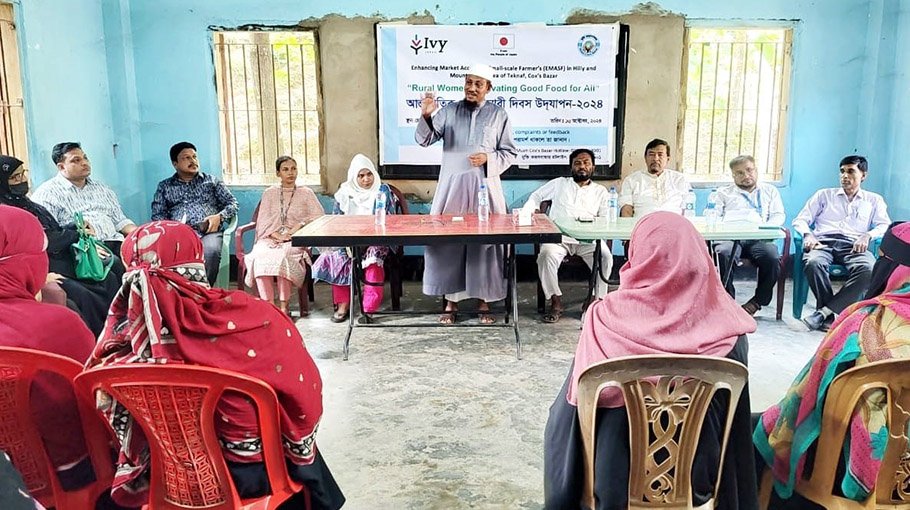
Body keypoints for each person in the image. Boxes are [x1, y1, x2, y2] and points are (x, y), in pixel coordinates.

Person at [86, 221, 344, 510]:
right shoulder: (258, 320)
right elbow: (303, 398)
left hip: (160, 473)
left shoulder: (115, 345)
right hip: (247, 474)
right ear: (196, 261)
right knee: (303, 457)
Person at [544, 212, 759, 509]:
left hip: (612, 479)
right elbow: (733, 428)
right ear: (699, 254)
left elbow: (571, 412)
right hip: (695, 478)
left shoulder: (603, 321)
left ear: (639, 255)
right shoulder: (730, 330)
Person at [753, 221, 910, 508]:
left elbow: (807, 396)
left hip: (861, 465)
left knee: (759, 431)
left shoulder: (861, 324)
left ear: (893, 269)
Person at [0, 205, 98, 497]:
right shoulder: (60, 324)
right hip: (69, 474)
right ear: (26, 262)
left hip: (8, 482)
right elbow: (98, 403)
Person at [415, 63, 518, 324]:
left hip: (485, 190)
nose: (471, 88)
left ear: (488, 88)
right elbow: (425, 139)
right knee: (448, 244)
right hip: (451, 190)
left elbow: (509, 153)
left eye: (478, 84)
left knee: (485, 246)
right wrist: (426, 115)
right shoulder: (449, 111)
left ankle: (484, 301)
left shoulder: (499, 115)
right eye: (468, 82)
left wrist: (488, 158)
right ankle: (450, 302)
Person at [0, 155, 121, 336]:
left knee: (107, 275)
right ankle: (97, 338)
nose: (22, 180)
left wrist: (76, 227)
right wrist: (42, 274)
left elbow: (52, 229)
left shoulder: (28, 204)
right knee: (82, 294)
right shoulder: (6, 213)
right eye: (15, 178)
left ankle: (116, 330)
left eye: (23, 174)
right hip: (39, 267)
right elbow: (43, 241)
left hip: (58, 257)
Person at [792, 155, 891, 331]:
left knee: (869, 269)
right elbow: (800, 220)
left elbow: (884, 225)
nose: (845, 176)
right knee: (813, 263)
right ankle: (828, 315)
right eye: (842, 171)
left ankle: (823, 313)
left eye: (851, 171)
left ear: (863, 175)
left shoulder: (874, 200)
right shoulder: (824, 195)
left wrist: (867, 235)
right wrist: (808, 235)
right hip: (822, 243)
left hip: (853, 246)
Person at [522, 148, 614, 323]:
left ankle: (594, 299)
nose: (582, 166)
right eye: (577, 163)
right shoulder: (559, 183)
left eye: (586, 163)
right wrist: (533, 210)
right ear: (571, 167)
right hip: (559, 239)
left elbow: (606, 218)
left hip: (588, 240)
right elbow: (537, 196)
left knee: (606, 257)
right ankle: (555, 301)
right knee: (545, 256)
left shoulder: (601, 191)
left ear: (593, 167)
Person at [312, 154, 398, 323]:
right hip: (349, 238)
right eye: (361, 175)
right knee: (338, 257)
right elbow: (336, 221)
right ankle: (343, 304)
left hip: (376, 239)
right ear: (353, 177)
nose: (366, 179)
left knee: (373, 260)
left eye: (369, 174)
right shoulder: (344, 193)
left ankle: (368, 308)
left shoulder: (382, 191)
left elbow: (389, 219)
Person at [243, 156, 324, 316]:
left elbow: (318, 217)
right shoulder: (269, 193)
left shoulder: (306, 193)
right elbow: (263, 220)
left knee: (283, 256)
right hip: (269, 236)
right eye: (285, 169)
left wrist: (298, 227)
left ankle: (283, 306)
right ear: (278, 173)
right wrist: (276, 235)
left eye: (293, 169)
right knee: (260, 256)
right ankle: (269, 306)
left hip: (296, 238)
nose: (290, 173)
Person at [150, 141, 238, 285]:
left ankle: (202, 291)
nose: (193, 161)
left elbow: (232, 203)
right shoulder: (165, 186)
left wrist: (219, 216)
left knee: (211, 251)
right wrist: (169, 231)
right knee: (164, 254)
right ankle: (179, 292)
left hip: (208, 232)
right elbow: (158, 214)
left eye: (194, 157)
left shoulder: (211, 181)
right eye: (187, 158)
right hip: (178, 234)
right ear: (175, 164)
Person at [31, 142, 137, 254]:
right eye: (76, 160)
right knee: (108, 262)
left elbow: (120, 221)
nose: (84, 163)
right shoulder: (47, 194)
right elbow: (53, 236)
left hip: (116, 241)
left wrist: (140, 233)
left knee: (144, 255)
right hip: (80, 249)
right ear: (62, 167)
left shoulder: (102, 188)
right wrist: (85, 247)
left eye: (85, 158)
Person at [714, 155, 786, 315]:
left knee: (772, 256)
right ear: (733, 175)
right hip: (730, 238)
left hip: (759, 238)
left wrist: (764, 228)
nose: (746, 175)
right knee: (722, 253)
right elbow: (714, 216)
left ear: (756, 170)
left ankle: (757, 302)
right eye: (740, 173)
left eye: (749, 170)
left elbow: (778, 215)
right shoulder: (723, 193)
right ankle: (727, 303)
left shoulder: (769, 191)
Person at [618, 139, 691, 218]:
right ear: (645, 158)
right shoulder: (632, 180)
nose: (655, 158)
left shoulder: (679, 179)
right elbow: (626, 210)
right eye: (651, 154)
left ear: (667, 159)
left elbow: (688, 210)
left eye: (660, 155)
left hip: (673, 224)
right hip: (643, 224)